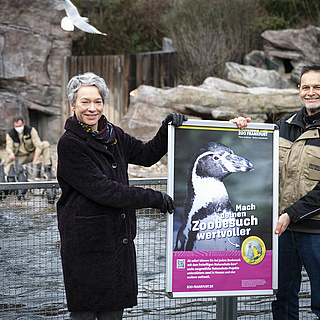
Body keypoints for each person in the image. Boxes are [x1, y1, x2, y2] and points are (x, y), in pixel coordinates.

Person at [56, 72, 187, 320]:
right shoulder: (69, 143)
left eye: (97, 101)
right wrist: (154, 198)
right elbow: (105, 190)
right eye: (84, 102)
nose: (92, 108)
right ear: (72, 105)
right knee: (84, 313)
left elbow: (147, 155)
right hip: (85, 247)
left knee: (113, 313)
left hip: (115, 242)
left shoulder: (113, 134)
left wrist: (167, 129)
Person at [231, 64, 320, 319]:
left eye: (317, 87)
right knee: (283, 303)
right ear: (299, 90)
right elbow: (255, 158)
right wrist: (240, 130)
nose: (311, 92)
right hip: (283, 232)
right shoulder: (282, 126)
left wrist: (292, 213)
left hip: (315, 232)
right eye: (306, 87)